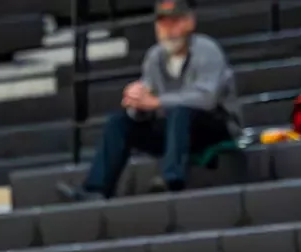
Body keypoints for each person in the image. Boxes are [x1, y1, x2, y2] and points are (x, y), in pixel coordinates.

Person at [69, 0, 239, 200]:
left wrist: (157, 102)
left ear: (189, 22)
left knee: (180, 110)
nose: (168, 30)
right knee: (119, 122)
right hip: (175, 130)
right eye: (162, 24)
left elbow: (207, 98)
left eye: (174, 22)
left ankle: (171, 178)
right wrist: (136, 103)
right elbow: (147, 103)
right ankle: (96, 189)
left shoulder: (207, 50)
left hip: (215, 126)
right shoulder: (154, 57)